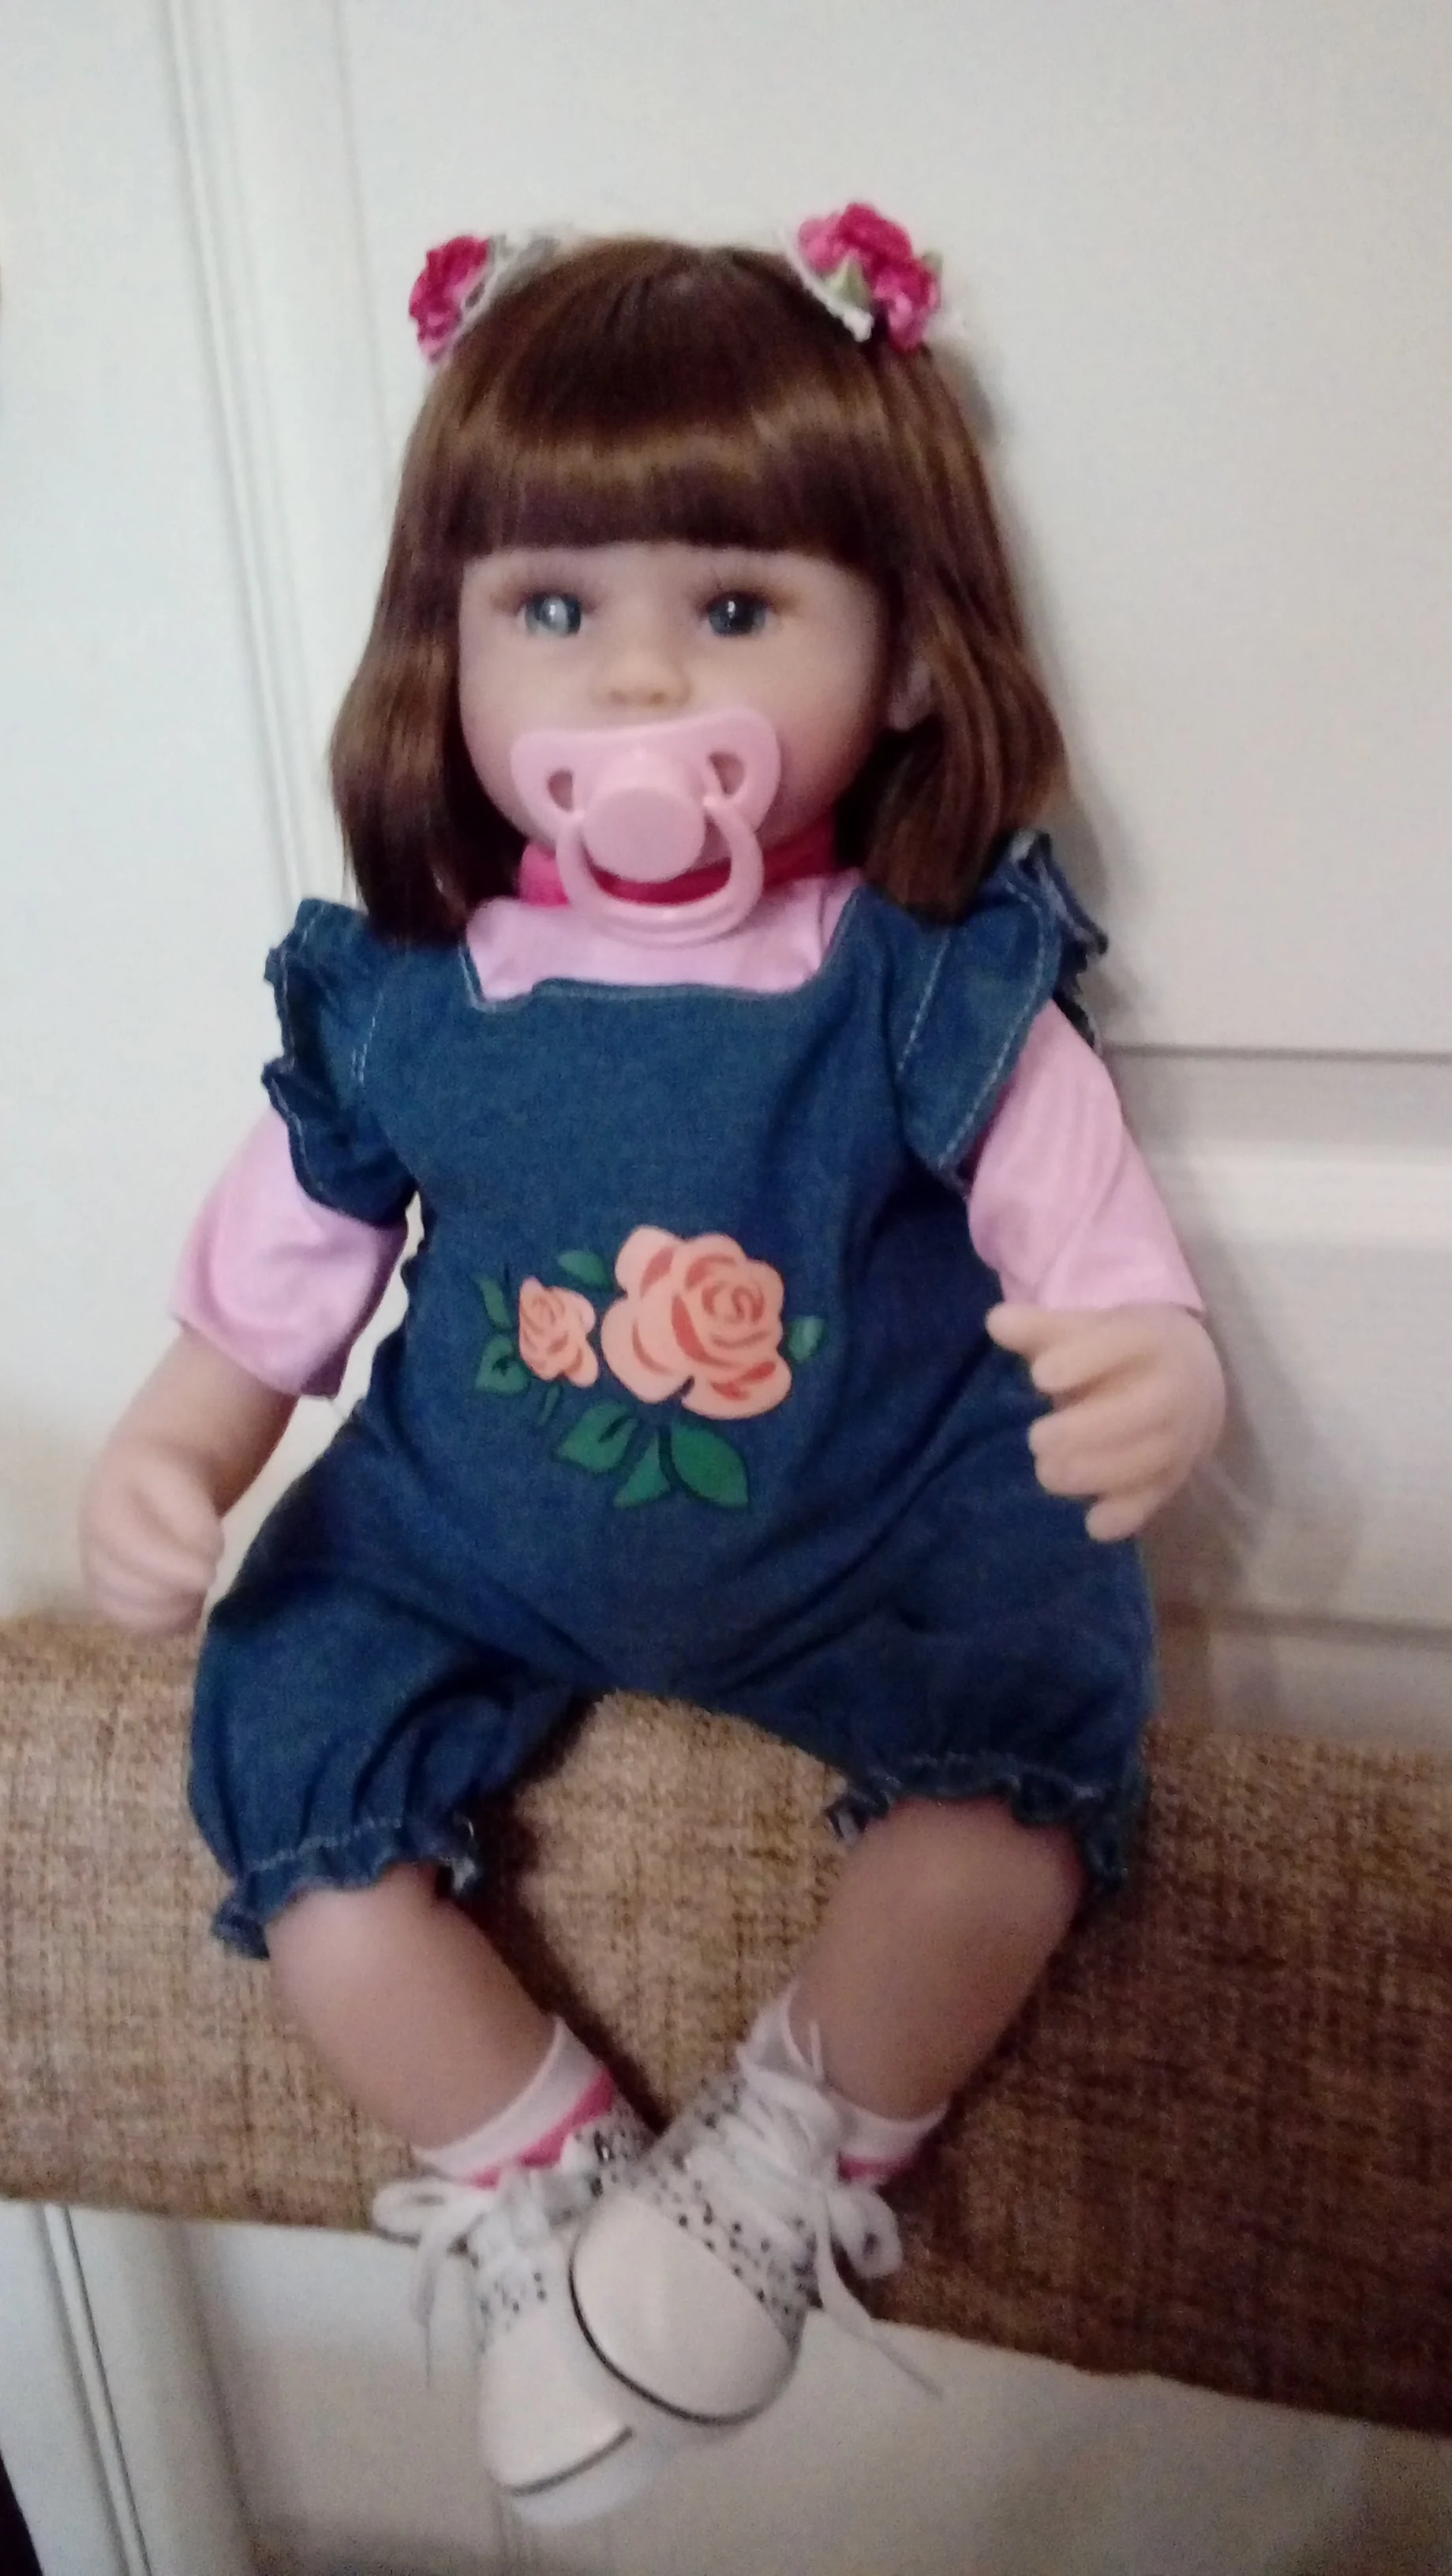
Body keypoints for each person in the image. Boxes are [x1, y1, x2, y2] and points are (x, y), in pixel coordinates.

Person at [80, 208, 1225, 2526]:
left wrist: (1152, 1372)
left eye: (729, 609)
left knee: (1016, 1785)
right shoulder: (412, 990)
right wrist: (178, 1444)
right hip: (467, 1538)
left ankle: (786, 2154)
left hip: (875, 1530)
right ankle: (544, 2190)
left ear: (908, 658)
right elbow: (276, 1279)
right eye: (550, 611)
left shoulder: (923, 977)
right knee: (288, 1773)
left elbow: (1100, 1259)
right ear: (447, 649)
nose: (629, 687)